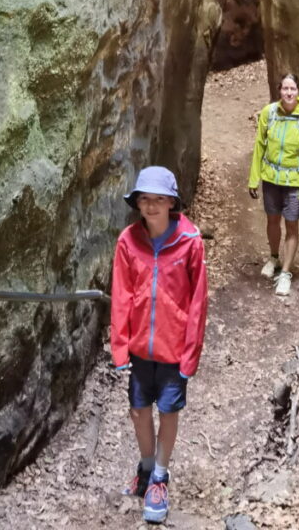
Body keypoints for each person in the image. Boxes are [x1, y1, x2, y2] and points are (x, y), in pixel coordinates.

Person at [110, 166, 208, 524]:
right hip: (139, 348)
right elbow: (120, 295)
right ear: (137, 203)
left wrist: (190, 354)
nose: (151, 206)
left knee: (168, 410)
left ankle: (160, 478)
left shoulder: (189, 242)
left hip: (173, 348)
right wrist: (119, 346)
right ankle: (147, 467)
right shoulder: (127, 241)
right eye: (144, 199)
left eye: (158, 199)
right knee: (139, 410)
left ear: (171, 203)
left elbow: (198, 302)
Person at [247, 73, 299, 297]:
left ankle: (286, 273)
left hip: (295, 182)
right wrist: (254, 177)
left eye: (293, 89)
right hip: (271, 179)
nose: (289, 93)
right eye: (285, 89)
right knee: (272, 220)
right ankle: (274, 257)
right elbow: (259, 145)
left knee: (291, 225)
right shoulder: (269, 113)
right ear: (279, 90)